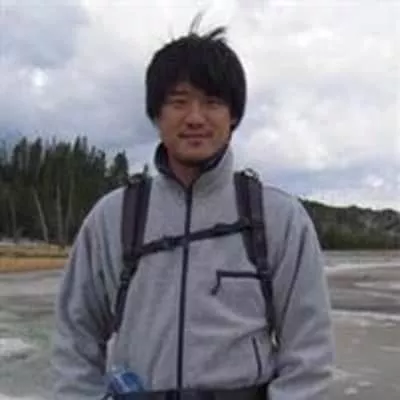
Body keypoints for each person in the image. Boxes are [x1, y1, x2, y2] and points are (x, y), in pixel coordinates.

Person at [52, 22, 334, 400]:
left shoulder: (278, 218)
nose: (195, 117)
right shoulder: (113, 217)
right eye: (179, 101)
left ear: (233, 116)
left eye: (212, 102)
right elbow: (75, 336)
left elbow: (309, 351)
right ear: (157, 114)